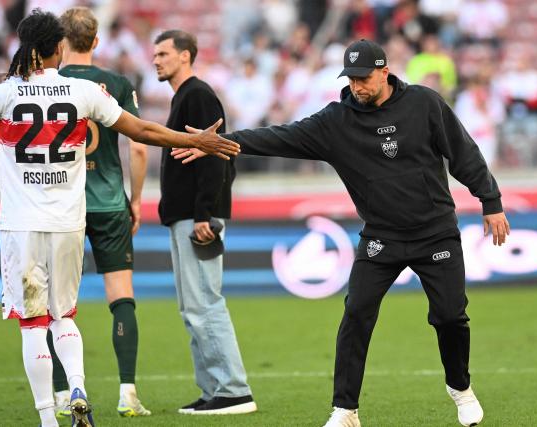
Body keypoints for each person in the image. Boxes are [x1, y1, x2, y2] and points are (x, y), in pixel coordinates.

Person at [174, 39, 510, 427]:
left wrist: (491, 200)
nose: (357, 86)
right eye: (351, 79)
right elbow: (279, 136)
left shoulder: (425, 103)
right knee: (356, 316)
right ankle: (345, 410)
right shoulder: (335, 122)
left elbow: (463, 152)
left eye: (364, 78)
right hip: (381, 237)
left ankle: (460, 388)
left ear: (385, 71)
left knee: (451, 318)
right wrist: (220, 144)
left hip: (435, 233)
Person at [0, 9, 238, 427]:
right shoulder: (82, 91)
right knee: (64, 316)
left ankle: (48, 418)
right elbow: (141, 132)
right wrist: (195, 138)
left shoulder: (3, 93)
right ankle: (78, 387)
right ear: (57, 48)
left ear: (24, 48)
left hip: (22, 226)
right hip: (68, 224)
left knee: (32, 324)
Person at [45, 6, 150, 419]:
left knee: (57, 305)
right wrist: (136, 199)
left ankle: (57, 393)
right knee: (121, 297)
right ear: (97, 41)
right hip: (109, 203)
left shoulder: (46, 84)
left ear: (60, 43)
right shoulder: (117, 83)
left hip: (62, 204)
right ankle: (127, 393)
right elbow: (139, 146)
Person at [152, 30, 257, 415]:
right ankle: (213, 387)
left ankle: (234, 390)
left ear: (185, 56)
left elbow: (217, 155)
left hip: (197, 217)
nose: (156, 60)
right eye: (155, 54)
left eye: (163, 53)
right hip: (185, 215)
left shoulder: (197, 95)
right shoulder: (186, 96)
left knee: (205, 304)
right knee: (192, 307)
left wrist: (205, 214)